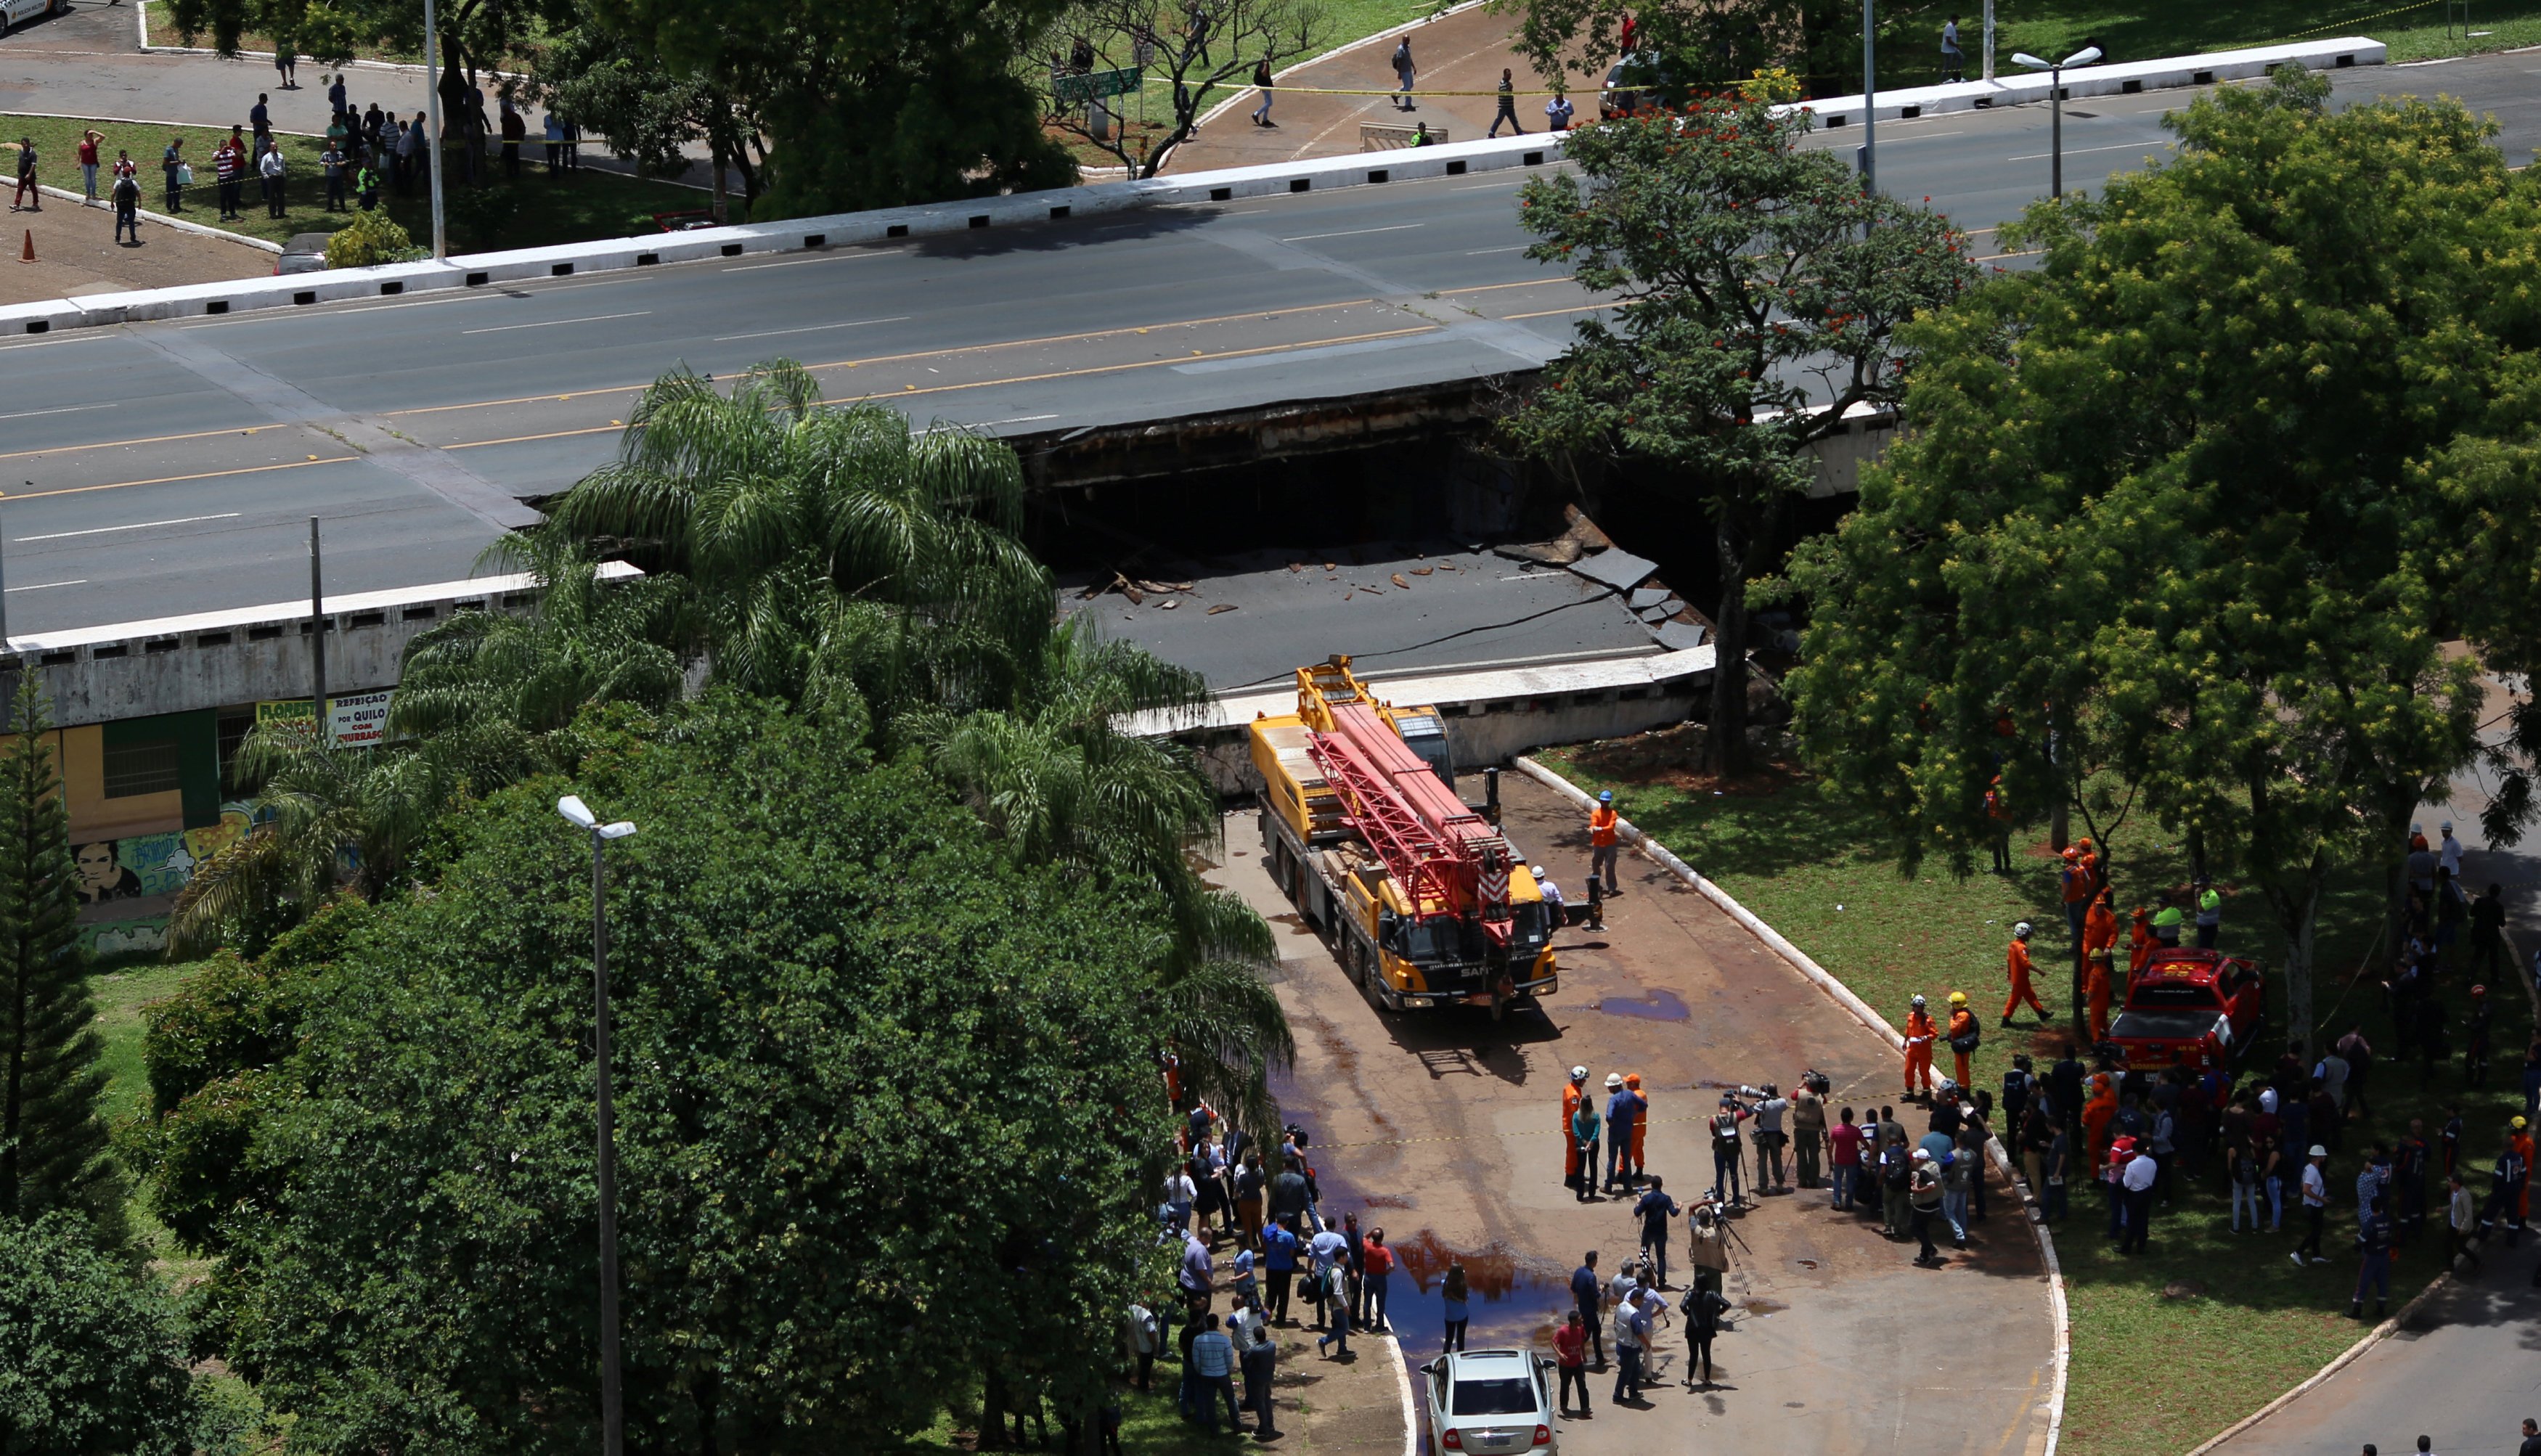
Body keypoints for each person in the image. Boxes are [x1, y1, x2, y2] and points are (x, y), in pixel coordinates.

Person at [1232, 1293, 1278, 1436]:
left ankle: (1263, 1428)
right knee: (1267, 1400)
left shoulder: (1254, 1350)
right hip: (1268, 1376)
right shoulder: (1272, 1345)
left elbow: (1246, 1361)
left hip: (1257, 1378)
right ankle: (1270, 1424)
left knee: (1260, 1403)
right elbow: (1268, 1315)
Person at [1189, 1314, 1241, 1435]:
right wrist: (1227, 1370)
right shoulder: (1224, 1340)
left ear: (1206, 1323)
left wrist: (1201, 1371)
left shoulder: (1198, 1340)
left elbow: (1196, 1360)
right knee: (1230, 1399)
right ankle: (1237, 1425)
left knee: (1210, 1402)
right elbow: (1229, 1360)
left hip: (1206, 1375)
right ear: (1217, 1324)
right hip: (1222, 1375)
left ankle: (1213, 1430)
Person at [2348, 1193, 2395, 1320]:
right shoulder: (2386, 1220)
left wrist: (2356, 1242)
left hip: (2371, 1257)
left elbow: (2362, 1240)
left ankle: (2356, 1310)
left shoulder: (2370, 1223)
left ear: (2371, 1207)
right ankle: (2381, 1309)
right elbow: (2391, 1235)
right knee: (2382, 1283)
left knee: (2363, 1282)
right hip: (2384, 1256)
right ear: (2381, 1207)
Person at [1680, 1282, 1731, 1387]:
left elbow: (1683, 1306)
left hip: (1693, 1328)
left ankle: (1689, 1380)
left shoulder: (1690, 1294)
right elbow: (1727, 1304)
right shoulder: (1713, 1294)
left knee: (1693, 1355)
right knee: (1706, 1354)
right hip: (1707, 1329)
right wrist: (1719, 1313)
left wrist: (1688, 1313)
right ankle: (1707, 1380)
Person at [1634, 1175, 1679, 1288]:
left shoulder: (1646, 1198)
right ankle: (1662, 1282)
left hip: (1648, 1231)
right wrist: (1679, 1207)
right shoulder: (1666, 1198)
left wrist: (1638, 1203)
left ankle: (1647, 1280)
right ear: (1661, 1185)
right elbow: (1673, 1213)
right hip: (1661, 1232)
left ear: (1651, 1186)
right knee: (1661, 1256)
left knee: (1645, 1254)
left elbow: (1637, 1212)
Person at [2294, 1145, 2331, 1265]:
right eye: (2323, 1155)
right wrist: (2321, 1198)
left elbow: (2302, 1185)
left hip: (2313, 1204)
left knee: (2317, 1230)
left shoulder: (2308, 1168)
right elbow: (2305, 1189)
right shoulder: (2313, 1172)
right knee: (2315, 1232)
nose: (2324, 1157)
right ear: (2318, 1157)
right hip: (2314, 1206)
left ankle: (2316, 1255)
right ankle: (2298, 1253)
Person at [1909, 1148, 1946, 1266]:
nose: (1916, 1160)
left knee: (1914, 1227)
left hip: (1924, 1206)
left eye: (1917, 1158)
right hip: (1935, 1204)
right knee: (1923, 1228)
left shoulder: (1924, 1171)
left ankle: (1931, 1248)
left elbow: (1932, 1185)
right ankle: (1924, 1255)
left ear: (1921, 1159)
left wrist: (1918, 1191)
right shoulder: (1934, 1165)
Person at [2120, 1135, 2158, 1253]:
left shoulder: (2132, 1165)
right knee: (2143, 1219)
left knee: (2132, 1221)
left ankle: (2127, 1247)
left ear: (2134, 1151)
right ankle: (2141, 1246)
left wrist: (2125, 1173)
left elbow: (2126, 1183)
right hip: (2147, 1192)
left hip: (2135, 1194)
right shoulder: (2152, 1162)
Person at [1709, 1094, 1748, 1205]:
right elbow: (1750, 1112)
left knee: (1720, 1176)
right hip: (1734, 1151)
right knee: (1734, 1174)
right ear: (1730, 1106)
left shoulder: (1713, 1120)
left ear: (1720, 1107)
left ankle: (1721, 1200)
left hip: (1720, 1150)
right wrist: (1740, 1102)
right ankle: (1736, 1200)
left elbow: (1713, 1133)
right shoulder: (1736, 1116)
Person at [1260, 1214, 1300, 1324]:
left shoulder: (1268, 1233)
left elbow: (1264, 1247)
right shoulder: (1289, 1236)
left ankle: (1266, 1317)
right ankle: (1281, 1319)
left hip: (1271, 1267)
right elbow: (1292, 1253)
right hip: (1285, 1269)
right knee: (1283, 1294)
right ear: (1286, 1223)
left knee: (1270, 1293)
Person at [1604, 1071, 1639, 1193]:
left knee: (1612, 1160)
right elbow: (1643, 1105)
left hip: (1615, 1134)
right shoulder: (1630, 1094)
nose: (1608, 1088)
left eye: (1610, 1086)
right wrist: (1633, 1115)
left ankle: (1608, 1186)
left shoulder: (1614, 1099)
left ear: (1615, 1086)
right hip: (1627, 1132)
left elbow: (1609, 1116)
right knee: (1626, 1160)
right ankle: (1627, 1186)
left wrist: (1611, 1123)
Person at [1553, 1309, 1592, 1415]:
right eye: (1580, 1319)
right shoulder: (1563, 1331)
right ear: (1574, 1321)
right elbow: (1553, 1342)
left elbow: (1582, 1342)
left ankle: (1585, 1408)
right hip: (1565, 1365)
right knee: (1565, 1385)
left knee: (1582, 1385)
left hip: (1578, 1363)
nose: (1582, 1320)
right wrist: (1560, 1354)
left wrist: (1583, 1354)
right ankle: (1564, 1405)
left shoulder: (1581, 1329)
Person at [1570, 1251, 1605, 1367]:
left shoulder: (1578, 1271)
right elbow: (1595, 1294)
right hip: (1590, 1311)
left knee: (1596, 1330)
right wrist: (1601, 1291)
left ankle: (1599, 1358)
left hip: (1582, 1308)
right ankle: (1573, 1354)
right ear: (1594, 1262)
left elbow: (1573, 1288)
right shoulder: (1591, 1277)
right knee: (1586, 1335)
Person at [1753, 1082, 1790, 1192]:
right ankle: (1779, 1184)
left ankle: (1763, 1186)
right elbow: (1784, 1105)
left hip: (1763, 1135)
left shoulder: (1762, 1104)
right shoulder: (1782, 1102)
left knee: (1762, 1161)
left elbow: (1754, 1109)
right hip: (1776, 1135)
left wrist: (1762, 1098)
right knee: (1777, 1160)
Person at [1793, 1075, 1827, 1187]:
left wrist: (1802, 1083)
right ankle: (1813, 1180)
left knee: (1801, 1155)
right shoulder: (1820, 1097)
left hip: (1801, 1128)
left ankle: (1802, 1180)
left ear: (1808, 1084)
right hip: (1814, 1130)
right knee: (1814, 1156)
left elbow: (1793, 1095)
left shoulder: (1800, 1093)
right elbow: (1825, 1100)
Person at [1359, 1226, 1394, 1334]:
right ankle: (1379, 1325)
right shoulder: (1385, 1251)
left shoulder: (1367, 1246)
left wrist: (1371, 1232)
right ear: (1382, 1238)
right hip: (1380, 1278)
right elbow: (1392, 1265)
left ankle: (1367, 1326)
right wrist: (1387, 1272)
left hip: (1369, 1276)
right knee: (1381, 1303)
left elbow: (1364, 1237)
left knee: (1367, 1302)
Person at [1572, 1085, 1604, 1203]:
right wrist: (1591, 1142)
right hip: (1594, 1145)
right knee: (1593, 1166)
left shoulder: (1576, 1116)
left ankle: (1580, 1194)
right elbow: (1597, 1131)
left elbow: (1576, 1132)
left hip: (1580, 1145)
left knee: (1580, 1169)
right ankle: (1592, 1193)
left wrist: (1584, 1141)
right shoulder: (1596, 1117)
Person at [1122, 1299, 1161, 1392]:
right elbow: (1151, 1334)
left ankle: (1138, 1382)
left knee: (1141, 1365)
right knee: (1146, 1368)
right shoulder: (1147, 1317)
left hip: (1134, 1343)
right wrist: (1155, 1346)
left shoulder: (1131, 1308)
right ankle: (1143, 1388)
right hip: (1146, 1347)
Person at [1562, 1065, 1589, 1193]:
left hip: (1570, 1126)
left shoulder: (1571, 1088)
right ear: (1578, 1079)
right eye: (1583, 1080)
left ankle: (1574, 1174)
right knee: (1573, 1153)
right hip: (1573, 1129)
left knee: (1572, 1152)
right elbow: (1575, 1115)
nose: (1584, 1082)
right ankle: (1571, 1177)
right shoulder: (1574, 1095)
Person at [1830, 1103, 1863, 1209]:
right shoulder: (1856, 1131)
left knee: (1838, 1179)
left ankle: (1837, 1201)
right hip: (1852, 1159)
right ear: (1851, 1118)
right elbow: (1865, 1144)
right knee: (1850, 1181)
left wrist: (1830, 1158)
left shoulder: (1836, 1130)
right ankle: (1849, 1203)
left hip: (1839, 1159)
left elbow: (1830, 1145)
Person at [1904, 994, 1938, 1098]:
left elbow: (1935, 1034)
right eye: (1916, 1007)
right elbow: (1908, 1030)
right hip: (1912, 1050)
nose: (1918, 1010)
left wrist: (1925, 1038)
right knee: (1908, 1071)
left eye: (1920, 1008)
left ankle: (1927, 1092)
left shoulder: (1928, 1020)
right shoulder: (1910, 1017)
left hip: (1924, 1052)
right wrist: (1905, 1041)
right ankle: (1909, 1092)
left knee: (1924, 1073)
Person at [1588, 788, 1620, 896]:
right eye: (1603, 801)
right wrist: (1593, 828)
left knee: (1610, 866)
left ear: (1609, 802)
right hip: (1598, 844)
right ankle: (1596, 885)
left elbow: (1611, 827)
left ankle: (1612, 887)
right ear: (1600, 801)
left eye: (1607, 801)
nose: (1605, 803)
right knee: (1596, 865)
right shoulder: (1596, 813)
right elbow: (1594, 823)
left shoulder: (1613, 813)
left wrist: (1601, 829)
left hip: (1610, 844)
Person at [1946, 991, 1980, 1089]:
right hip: (1961, 1041)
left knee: (1962, 1067)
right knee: (1960, 1067)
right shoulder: (1962, 1013)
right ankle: (1963, 1085)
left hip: (1963, 1045)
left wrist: (1952, 1017)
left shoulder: (1962, 1015)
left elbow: (1954, 1028)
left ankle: (1965, 1089)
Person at [2447, 1171, 2479, 1271]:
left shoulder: (2464, 1196)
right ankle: (2450, 1266)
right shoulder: (2453, 1193)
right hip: (2453, 1224)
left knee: (2461, 1247)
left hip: (2461, 1227)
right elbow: (2453, 1206)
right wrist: (2443, 1209)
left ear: (2457, 1183)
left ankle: (2477, 1262)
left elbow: (2468, 1214)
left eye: (2451, 1182)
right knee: (2447, 1244)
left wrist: (2463, 1228)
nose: (2449, 1184)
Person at [213, 128, 245, 221]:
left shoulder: (230, 152)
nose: (225, 147)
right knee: (223, 196)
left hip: (231, 176)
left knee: (231, 196)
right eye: (223, 146)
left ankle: (232, 212)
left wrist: (236, 150)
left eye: (225, 146)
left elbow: (238, 157)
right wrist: (221, 152)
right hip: (222, 178)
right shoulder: (217, 153)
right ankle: (223, 213)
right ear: (220, 146)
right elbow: (214, 159)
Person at [1626, 1072, 1651, 1182]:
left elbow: (1631, 1113)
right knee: (1638, 1151)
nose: (1626, 1084)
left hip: (1633, 1130)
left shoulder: (1634, 1096)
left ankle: (1622, 1174)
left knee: (1626, 1152)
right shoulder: (1643, 1094)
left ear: (1632, 1084)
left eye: (1628, 1082)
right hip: (1641, 1129)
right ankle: (1639, 1171)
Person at [1440, 1257, 1468, 1351]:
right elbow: (1467, 1298)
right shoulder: (1463, 1286)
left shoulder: (1445, 1284)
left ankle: (1445, 1358)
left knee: (1449, 1340)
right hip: (1462, 1316)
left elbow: (1444, 1280)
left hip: (1449, 1317)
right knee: (1461, 1339)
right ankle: (1460, 1358)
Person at [1488, 68, 1524, 137]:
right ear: (1504, 75)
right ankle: (1491, 133)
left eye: (1510, 75)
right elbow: (1504, 94)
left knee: (1514, 120)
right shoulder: (1502, 84)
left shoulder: (1508, 83)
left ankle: (1519, 132)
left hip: (1510, 106)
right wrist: (1510, 88)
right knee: (1499, 120)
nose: (1510, 76)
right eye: (1508, 75)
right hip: (1504, 107)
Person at [110, 165, 142, 243]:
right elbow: (138, 194)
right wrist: (140, 203)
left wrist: (112, 203)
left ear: (123, 174)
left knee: (119, 222)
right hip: (130, 204)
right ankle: (133, 239)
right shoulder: (133, 182)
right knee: (131, 222)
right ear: (130, 173)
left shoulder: (118, 182)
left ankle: (117, 238)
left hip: (121, 205)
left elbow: (113, 194)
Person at [258, 137, 286, 219]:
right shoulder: (266, 157)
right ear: (270, 148)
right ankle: (273, 214)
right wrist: (266, 177)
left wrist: (284, 174)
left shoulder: (281, 156)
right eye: (273, 147)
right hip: (272, 178)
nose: (275, 148)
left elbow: (283, 166)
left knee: (281, 196)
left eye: (276, 147)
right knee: (272, 197)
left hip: (280, 177)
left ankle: (281, 213)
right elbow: (262, 168)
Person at [500, 97, 527, 176]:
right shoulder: (505, 118)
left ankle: (515, 173)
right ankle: (510, 173)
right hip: (507, 139)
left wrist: (521, 136)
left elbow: (522, 128)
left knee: (513, 157)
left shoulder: (515, 117)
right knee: (509, 157)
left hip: (514, 139)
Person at [1390, 34, 1416, 111]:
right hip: (1404, 72)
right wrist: (1399, 73)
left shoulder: (1408, 48)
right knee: (1408, 89)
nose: (1407, 41)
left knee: (1410, 85)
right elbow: (1399, 62)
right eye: (1406, 40)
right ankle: (1408, 104)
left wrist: (1414, 67)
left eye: (1408, 40)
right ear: (1403, 40)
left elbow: (1409, 58)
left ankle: (1396, 95)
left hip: (1409, 70)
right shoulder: (1400, 49)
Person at [2196, 876, 2224, 948]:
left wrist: (2197, 897)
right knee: (2202, 948)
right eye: (2198, 885)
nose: (2198, 888)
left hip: (2209, 928)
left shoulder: (2212, 896)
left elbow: (2200, 909)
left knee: (2206, 949)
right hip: (2202, 927)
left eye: (2200, 885)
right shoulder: (2204, 893)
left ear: (2207, 885)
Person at [1249, 57, 1276, 126]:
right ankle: (1256, 114)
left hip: (1266, 85)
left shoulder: (1264, 63)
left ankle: (1265, 119)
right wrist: (1265, 64)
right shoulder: (1263, 64)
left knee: (1267, 103)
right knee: (1269, 103)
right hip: (1265, 86)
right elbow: (1264, 73)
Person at [161, 136, 185, 211]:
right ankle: (169, 206)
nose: (180, 146)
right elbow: (166, 162)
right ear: (176, 143)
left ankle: (177, 205)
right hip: (171, 174)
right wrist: (176, 162)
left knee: (177, 191)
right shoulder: (169, 150)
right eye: (179, 145)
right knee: (170, 191)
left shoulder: (176, 149)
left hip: (177, 174)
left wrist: (180, 163)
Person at [1941, 14, 1965, 82]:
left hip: (1952, 49)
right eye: (1956, 20)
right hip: (1948, 50)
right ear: (1952, 20)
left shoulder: (1953, 27)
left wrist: (1957, 35)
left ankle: (1957, 74)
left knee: (1961, 58)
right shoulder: (1949, 27)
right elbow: (1948, 40)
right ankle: (1943, 80)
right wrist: (1956, 45)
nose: (1958, 21)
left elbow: (1951, 35)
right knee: (1947, 66)